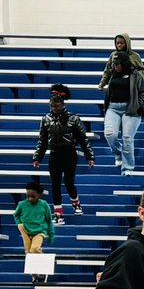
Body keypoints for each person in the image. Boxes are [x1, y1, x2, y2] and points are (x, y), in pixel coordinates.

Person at [33, 86, 94, 224]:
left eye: (56, 106)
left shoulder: (73, 118)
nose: (54, 109)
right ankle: (58, 213)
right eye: (52, 106)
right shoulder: (46, 119)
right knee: (55, 183)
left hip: (69, 153)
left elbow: (83, 139)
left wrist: (89, 156)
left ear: (62, 104)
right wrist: (37, 157)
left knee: (68, 182)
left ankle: (76, 202)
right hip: (54, 154)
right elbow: (42, 140)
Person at [102, 52, 144, 176]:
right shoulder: (112, 74)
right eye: (114, 64)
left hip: (130, 109)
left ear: (124, 63)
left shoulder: (136, 75)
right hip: (113, 107)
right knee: (109, 134)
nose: (115, 66)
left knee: (127, 138)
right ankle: (118, 154)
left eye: (117, 64)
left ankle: (127, 168)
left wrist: (136, 104)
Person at [14, 179, 54, 253]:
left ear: (40, 195)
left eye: (33, 196)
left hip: (39, 231)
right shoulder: (22, 204)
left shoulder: (44, 205)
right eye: (28, 196)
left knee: (34, 249)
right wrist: (19, 223)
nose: (30, 199)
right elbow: (16, 215)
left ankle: (43, 259)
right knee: (28, 251)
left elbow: (49, 220)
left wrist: (51, 234)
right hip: (25, 230)